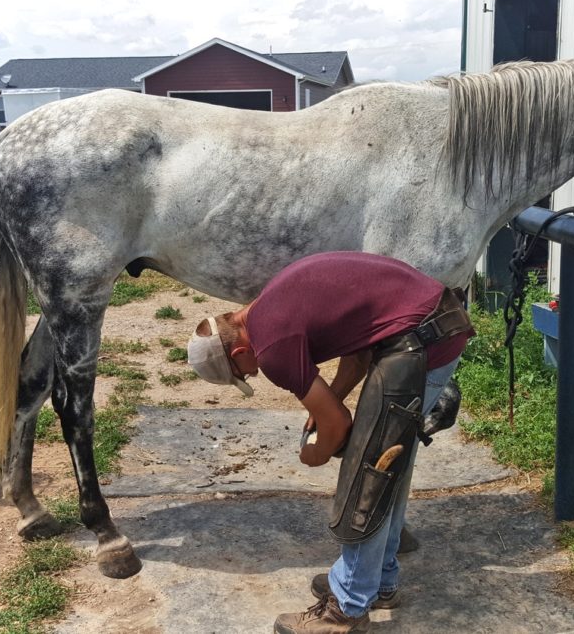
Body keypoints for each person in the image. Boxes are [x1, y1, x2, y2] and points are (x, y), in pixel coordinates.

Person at [187, 251, 474, 633]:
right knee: (391, 459)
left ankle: (347, 606)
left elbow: (338, 425)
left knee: (371, 470)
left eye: (243, 373)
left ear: (239, 352)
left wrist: (316, 452)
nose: (252, 375)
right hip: (431, 321)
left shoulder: (270, 350)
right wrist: (330, 398)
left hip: (422, 340)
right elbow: (355, 359)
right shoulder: (265, 308)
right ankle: (379, 582)